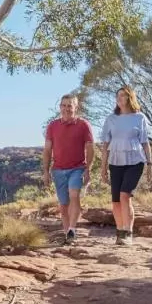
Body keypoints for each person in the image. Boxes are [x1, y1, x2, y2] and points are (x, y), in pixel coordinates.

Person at [100, 86, 152, 246]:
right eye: (118, 95)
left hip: (135, 161)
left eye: (123, 95)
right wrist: (103, 168)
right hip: (115, 162)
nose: (119, 98)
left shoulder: (139, 117)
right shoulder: (111, 119)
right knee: (116, 201)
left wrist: (149, 164)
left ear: (130, 98)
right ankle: (120, 232)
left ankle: (128, 232)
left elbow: (145, 142)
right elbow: (105, 145)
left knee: (125, 195)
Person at [43, 94, 95, 245]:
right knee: (63, 204)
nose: (66, 108)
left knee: (74, 194)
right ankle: (68, 236)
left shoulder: (83, 125)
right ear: (60, 107)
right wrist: (46, 172)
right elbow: (47, 150)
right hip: (58, 170)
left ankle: (72, 229)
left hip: (77, 168)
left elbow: (90, 148)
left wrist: (88, 169)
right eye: (63, 105)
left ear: (75, 107)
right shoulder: (52, 126)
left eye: (69, 105)